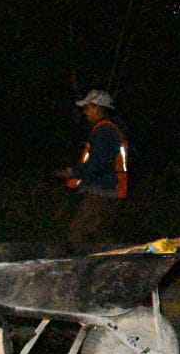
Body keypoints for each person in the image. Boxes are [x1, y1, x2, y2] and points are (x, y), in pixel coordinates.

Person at [54, 89, 129, 251]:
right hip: (108, 190)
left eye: (88, 107)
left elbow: (97, 164)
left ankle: (77, 267)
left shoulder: (104, 131)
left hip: (101, 190)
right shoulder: (110, 129)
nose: (85, 112)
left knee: (77, 233)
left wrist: (71, 172)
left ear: (98, 108)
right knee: (96, 235)